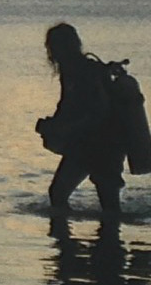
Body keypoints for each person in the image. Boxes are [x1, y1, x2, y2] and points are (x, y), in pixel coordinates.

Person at [38, 22, 130, 218]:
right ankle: (67, 244)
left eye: (53, 47)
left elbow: (99, 111)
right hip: (83, 144)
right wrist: (53, 125)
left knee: (109, 204)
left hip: (106, 143)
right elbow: (66, 106)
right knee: (58, 193)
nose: (51, 53)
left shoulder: (87, 72)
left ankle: (97, 243)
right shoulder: (70, 72)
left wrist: (67, 128)